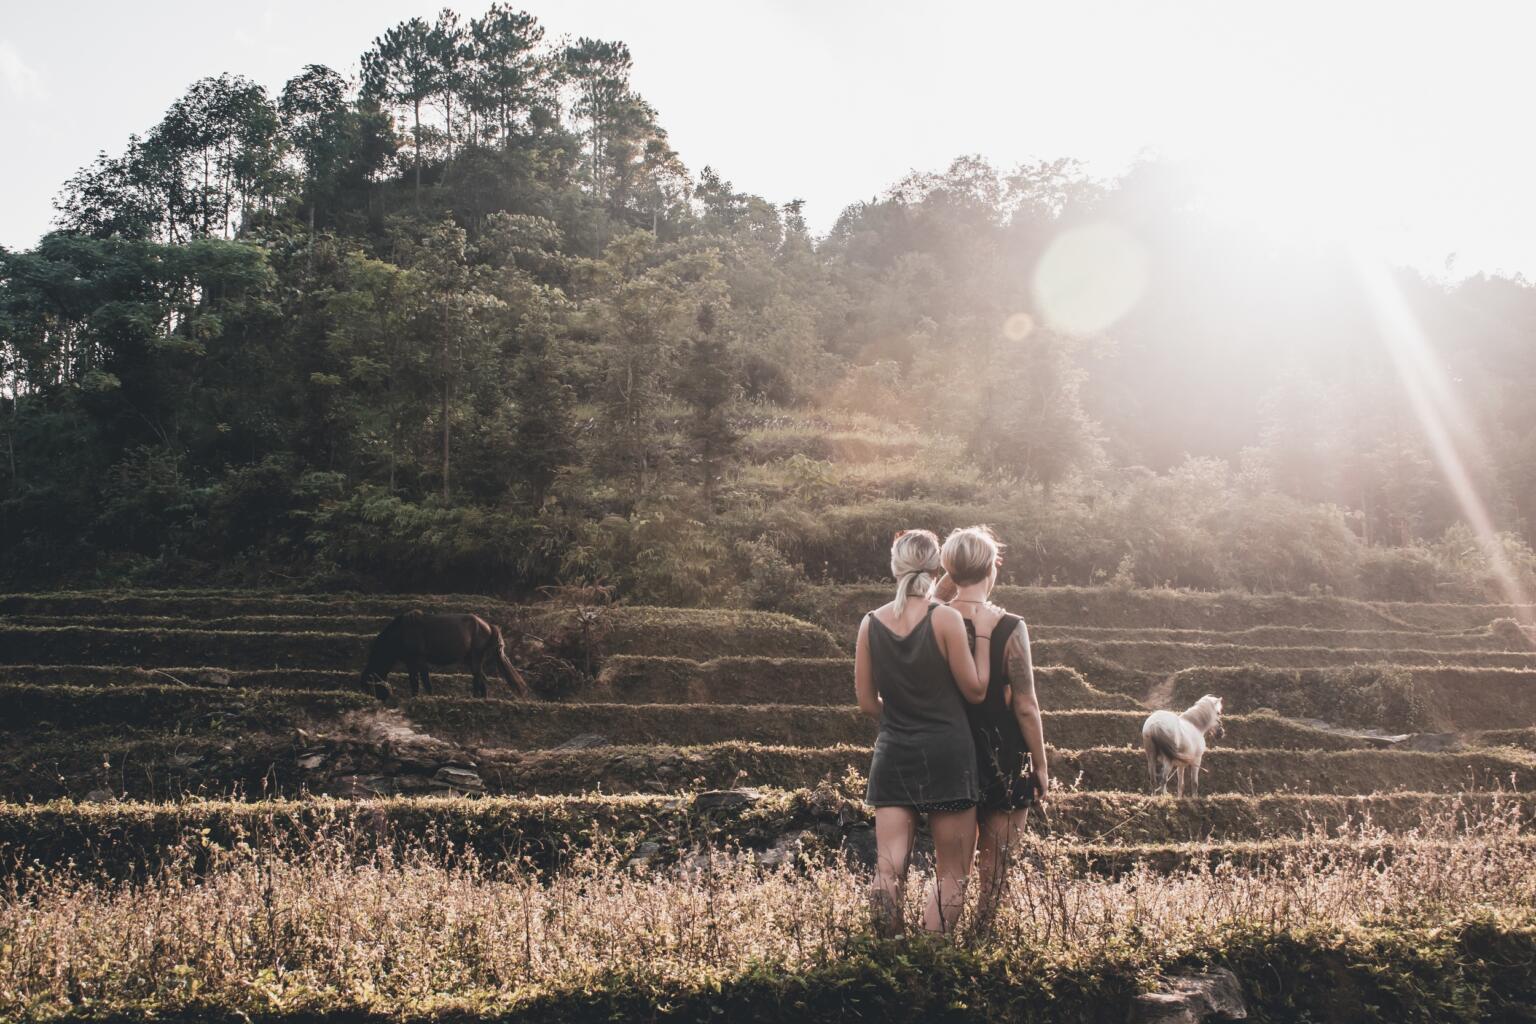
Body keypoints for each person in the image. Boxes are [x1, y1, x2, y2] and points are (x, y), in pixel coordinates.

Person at [854, 528, 1000, 936]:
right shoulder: (945, 618)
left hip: (894, 753)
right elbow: (975, 690)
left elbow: (867, 703)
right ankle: (931, 957)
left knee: (888, 866)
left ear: (895, 566)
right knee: (953, 872)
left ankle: (886, 950)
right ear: (938, 568)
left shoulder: (871, 624)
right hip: (948, 756)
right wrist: (984, 635)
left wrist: (904, 719)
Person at [935, 525, 1050, 931]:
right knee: (996, 870)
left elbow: (938, 595)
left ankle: (940, 952)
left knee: (951, 873)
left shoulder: (933, 620)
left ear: (951, 569)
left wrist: (954, 571)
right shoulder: (1009, 625)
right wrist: (1041, 765)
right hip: (1005, 751)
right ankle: (982, 943)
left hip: (950, 751)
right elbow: (1026, 703)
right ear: (993, 568)